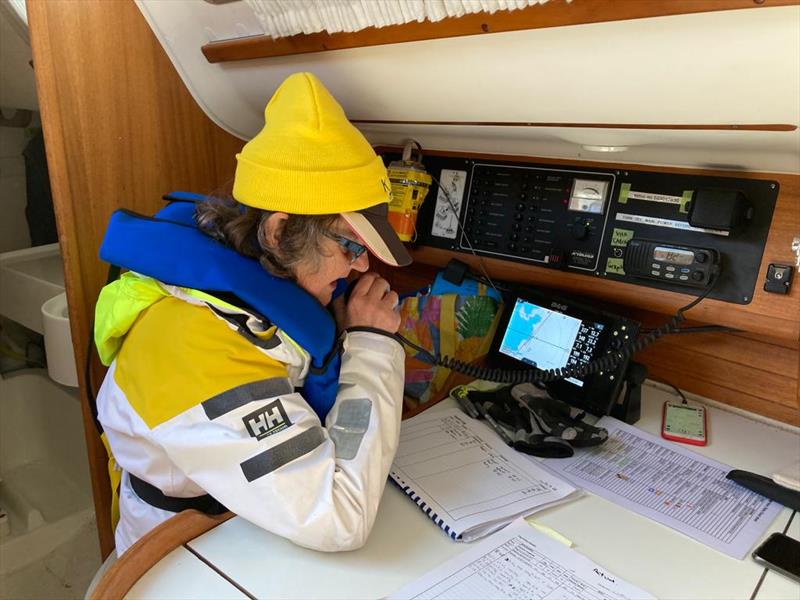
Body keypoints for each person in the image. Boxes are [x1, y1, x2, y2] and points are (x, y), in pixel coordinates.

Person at [94, 72, 411, 555]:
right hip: (182, 550)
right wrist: (372, 345)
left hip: (240, 521)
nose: (361, 265)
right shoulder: (196, 346)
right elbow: (340, 518)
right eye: (350, 244)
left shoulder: (242, 285)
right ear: (280, 232)